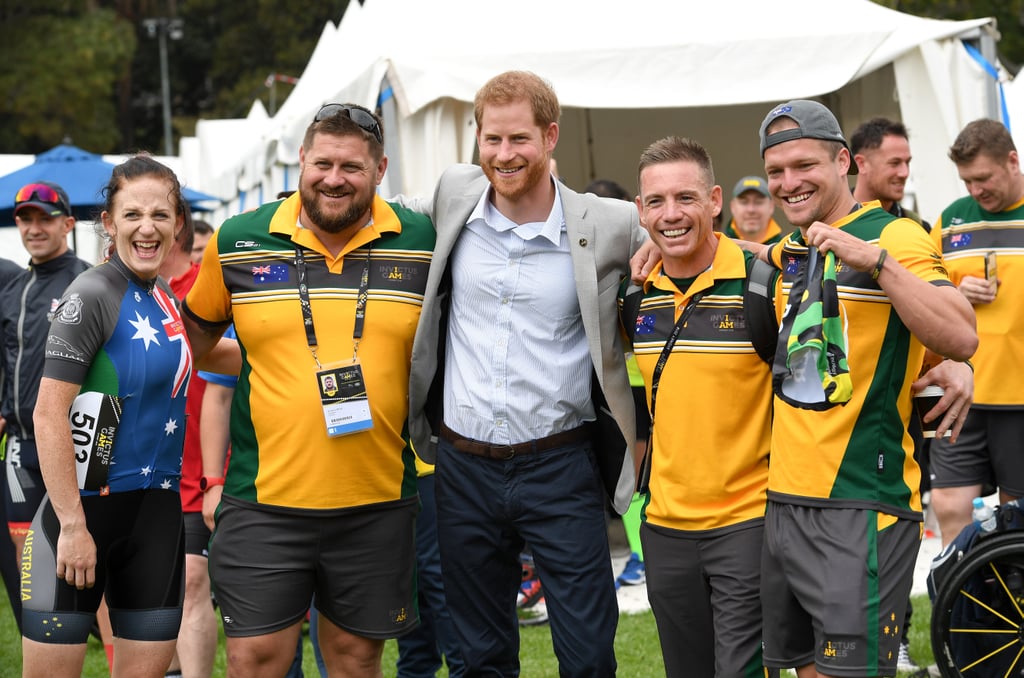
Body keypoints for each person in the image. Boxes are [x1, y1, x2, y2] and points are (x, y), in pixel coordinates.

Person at [406, 70, 645, 677]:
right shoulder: (452, 195)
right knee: (479, 659)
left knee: (589, 656)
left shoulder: (608, 222)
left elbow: (691, 245)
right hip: (462, 468)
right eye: (491, 140)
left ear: (550, 136)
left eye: (519, 140)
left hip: (560, 467)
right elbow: (371, 219)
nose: (504, 155)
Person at [183, 102, 432, 677]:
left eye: (352, 166)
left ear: (381, 169)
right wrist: (263, 359)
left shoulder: (419, 240)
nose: (334, 178)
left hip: (375, 501)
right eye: (322, 162)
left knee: (354, 659)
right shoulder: (239, 239)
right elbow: (192, 344)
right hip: (266, 501)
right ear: (301, 159)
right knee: (254, 660)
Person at [753, 99, 977, 677]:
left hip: (861, 504)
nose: (788, 182)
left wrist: (875, 261)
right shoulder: (793, 246)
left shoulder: (894, 235)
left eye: (804, 165)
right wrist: (653, 236)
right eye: (776, 171)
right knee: (805, 668)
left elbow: (959, 333)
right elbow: (736, 253)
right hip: (784, 503)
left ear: (844, 161)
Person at [21, 155, 194, 678]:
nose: (147, 228)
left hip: (157, 518)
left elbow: (202, 358)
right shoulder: (93, 293)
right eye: (133, 214)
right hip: (82, 518)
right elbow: (48, 415)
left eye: (161, 216)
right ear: (109, 223)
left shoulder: (162, 296)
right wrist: (73, 524)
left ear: (177, 224)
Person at [625, 136, 776, 677]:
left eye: (685, 198)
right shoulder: (636, 296)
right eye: (656, 202)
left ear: (714, 200)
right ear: (640, 211)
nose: (671, 215)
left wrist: (947, 365)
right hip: (663, 528)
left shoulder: (765, 285)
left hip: (748, 523)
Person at [849, 115, 930, 674]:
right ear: (859, 162)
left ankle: (895, 634)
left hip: (891, 430)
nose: (904, 172)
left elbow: (947, 327)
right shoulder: (814, 231)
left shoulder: (909, 232)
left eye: (907, 162)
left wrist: (958, 366)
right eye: (893, 162)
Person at [929, 119, 1024, 548]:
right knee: (948, 504)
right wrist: (955, 289)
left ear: (1012, 161)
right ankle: (960, 605)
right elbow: (922, 288)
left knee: (1015, 513)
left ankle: (1009, 605)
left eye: (983, 178)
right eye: (967, 180)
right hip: (961, 393)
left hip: (1019, 397)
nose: (975, 190)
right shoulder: (950, 221)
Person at [0, 183, 91, 634]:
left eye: (45, 218)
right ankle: (49, 641)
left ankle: (110, 640)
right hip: (20, 445)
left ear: (68, 224)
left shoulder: (88, 280)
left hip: (77, 440)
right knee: (28, 554)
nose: (34, 228)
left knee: (90, 548)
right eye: (25, 219)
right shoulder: (12, 288)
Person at [157, 212, 218, 678]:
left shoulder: (206, 285)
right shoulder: (124, 293)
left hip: (200, 469)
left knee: (193, 581)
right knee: (159, 589)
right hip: (143, 469)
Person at [584, 177, 647, 591]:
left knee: (639, 469)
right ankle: (641, 553)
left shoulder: (645, 256)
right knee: (622, 468)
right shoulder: (581, 262)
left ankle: (643, 554)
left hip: (647, 384)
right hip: (606, 386)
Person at [723, 175, 786, 244]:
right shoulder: (718, 247)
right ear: (733, 207)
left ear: (771, 206)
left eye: (758, 202)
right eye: (744, 202)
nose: (751, 210)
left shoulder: (786, 249)